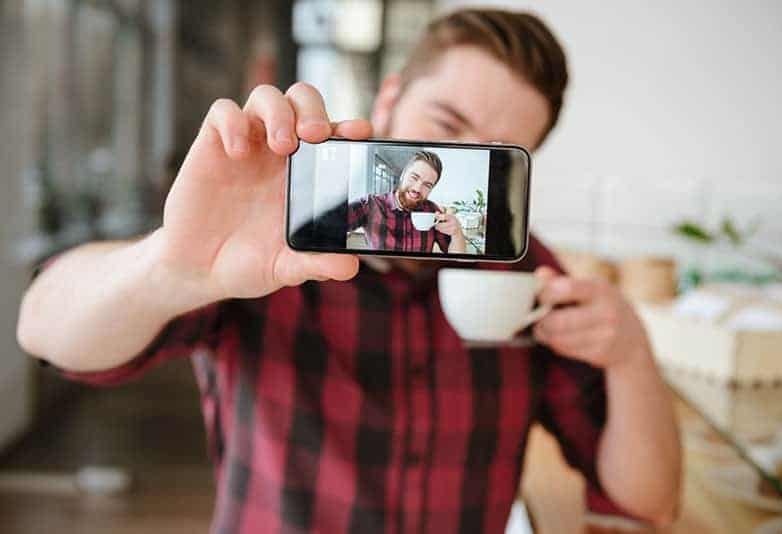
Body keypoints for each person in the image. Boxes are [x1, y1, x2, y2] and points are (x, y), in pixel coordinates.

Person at [17, 8, 681, 533]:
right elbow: (43, 327)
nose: (446, 167)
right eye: (444, 125)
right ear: (389, 97)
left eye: (494, 154)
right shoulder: (275, 240)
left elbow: (648, 503)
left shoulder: (530, 276)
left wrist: (631, 357)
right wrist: (173, 265)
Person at [347, 150, 466, 253]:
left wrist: (457, 233)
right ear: (403, 175)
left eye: (427, 185)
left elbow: (459, 260)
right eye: (414, 177)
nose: (417, 189)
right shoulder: (370, 204)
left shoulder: (433, 212)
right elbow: (331, 225)